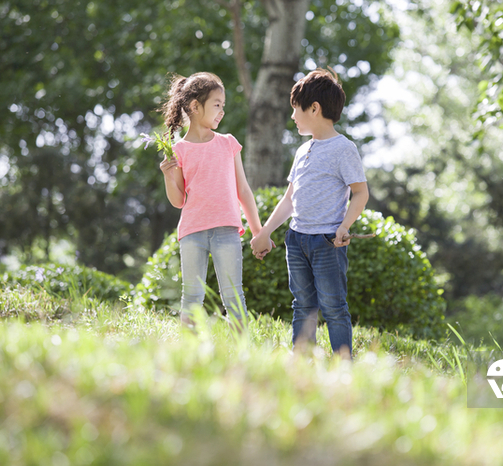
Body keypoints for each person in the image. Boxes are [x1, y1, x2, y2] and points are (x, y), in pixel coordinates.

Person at [250, 68, 369, 358]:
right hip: (296, 240)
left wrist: (344, 226)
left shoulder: (344, 149)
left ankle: (344, 364)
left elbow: (361, 193)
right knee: (302, 304)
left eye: (296, 110)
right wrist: (265, 232)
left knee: (333, 306)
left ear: (314, 108)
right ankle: (303, 362)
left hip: (327, 241)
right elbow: (290, 199)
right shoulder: (303, 151)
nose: (293, 117)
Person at [158, 71, 265, 328]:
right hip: (192, 232)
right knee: (192, 298)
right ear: (195, 106)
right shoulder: (178, 150)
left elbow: (243, 190)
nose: (222, 111)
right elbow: (178, 201)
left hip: (227, 231)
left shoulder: (228, 143)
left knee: (234, 297)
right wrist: (167, 175)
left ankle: (242, 355)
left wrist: (258, 231)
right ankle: (190, 356)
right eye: (217, 105)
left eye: (223, 106)